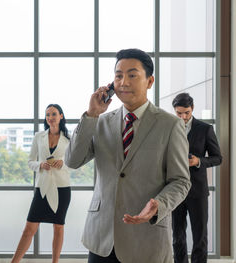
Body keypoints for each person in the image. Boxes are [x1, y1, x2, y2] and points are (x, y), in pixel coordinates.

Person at [65, 48, 191, 263]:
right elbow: (73, 161)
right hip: (102, 239)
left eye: (132, 75)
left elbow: (180, 181)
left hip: (146, 238)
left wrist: (158, 205)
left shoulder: (170, 125)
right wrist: (91, 115)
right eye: (118, 75)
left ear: (150, 81)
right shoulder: (100, 122)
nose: (123, 82)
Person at [12, 104, 71, 263]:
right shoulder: (39, 136)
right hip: (42, 187)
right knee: (29, 229)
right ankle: (14, 262)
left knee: (58, 228)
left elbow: (73, 162)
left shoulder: (69, 139)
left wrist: (62, 163)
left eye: (53, 114)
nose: (50, 117)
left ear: (61, 116)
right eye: (47, 115)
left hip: (62, 188)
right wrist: (40, 165)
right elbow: (30, 161)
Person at [171, 93, 222, 263]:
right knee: (178, 237)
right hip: (174, 190)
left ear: (192, 108)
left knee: (200, 237)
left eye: (186, 112)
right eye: (179, 113)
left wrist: (199, 161)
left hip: (198, 191)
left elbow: (217, 158)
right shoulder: (170, 128)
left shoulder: (205, 129)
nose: (183, 117)